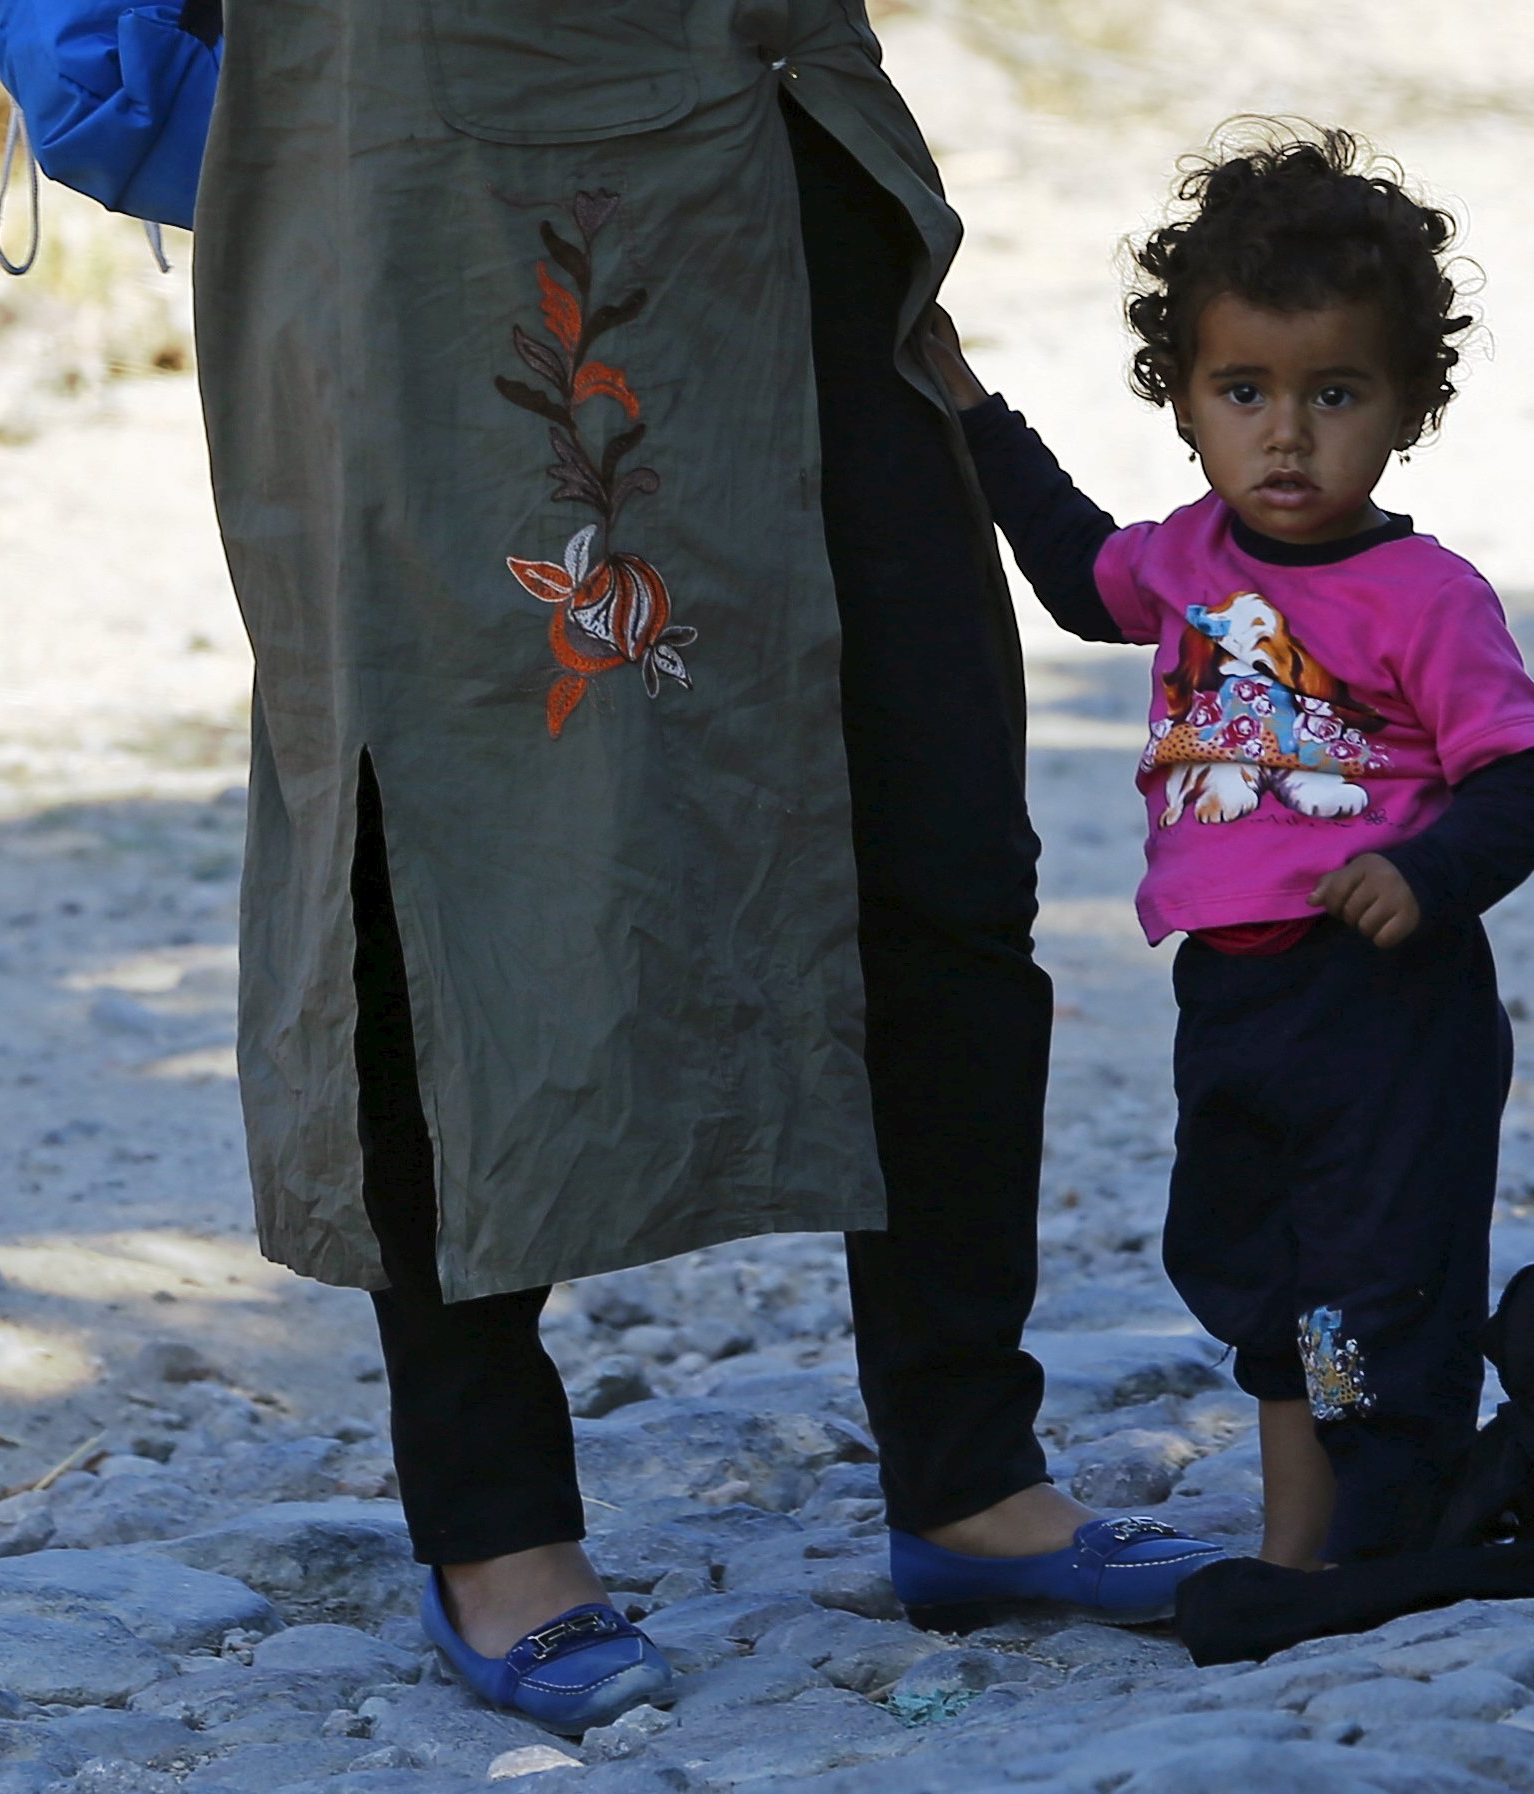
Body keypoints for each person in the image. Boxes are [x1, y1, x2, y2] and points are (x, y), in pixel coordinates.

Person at [192, 0, 1218, 1730]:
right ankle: (495, 1520)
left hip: (774, 112)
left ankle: (969, 1470)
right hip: (443, 158)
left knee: (936, 823)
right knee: (451, 822)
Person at [919, 127, 1534, 1572]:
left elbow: (1529, 780)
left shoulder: (1423, 594)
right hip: (1232, 996)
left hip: (1382, 1004)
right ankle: (1299, 1562)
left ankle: (1375, 1557)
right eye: (1244, 391)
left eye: (1334, 393)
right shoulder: (1183, 560)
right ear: (1184, 399)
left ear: (1407, 406)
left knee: (1378, 1292)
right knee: (1274, 1290)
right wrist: (968, 404)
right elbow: (1073, 568)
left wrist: (1426, 873)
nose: (1287, 435)